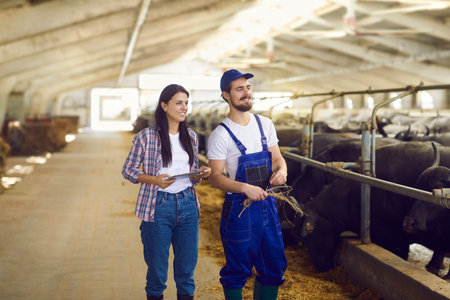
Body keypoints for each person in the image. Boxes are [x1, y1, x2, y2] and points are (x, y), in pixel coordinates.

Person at [122, 84, 211, 300]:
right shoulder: (146, 137)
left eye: (186, 103)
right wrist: (154, 180)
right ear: (164, 105)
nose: (184, 108)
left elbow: (189, 173)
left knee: (186, 273)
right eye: (178, 103)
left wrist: (199, 174)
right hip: (158, 206)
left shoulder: (190, 136)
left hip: (188, 204)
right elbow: (128, 170)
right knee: (157, 273)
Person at [207, 69, 288, 300]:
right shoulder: (221, 134)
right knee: (237, 270)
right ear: (226, 95)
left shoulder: (265, 124)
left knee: (273, 265)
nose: (246, 93)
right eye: (239, 89)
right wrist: (244, 188)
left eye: (248, 87)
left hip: (268, 205)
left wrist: (282, 172)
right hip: (240, 209)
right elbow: (214, 176)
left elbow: (278, 159)